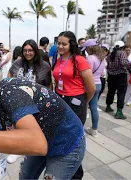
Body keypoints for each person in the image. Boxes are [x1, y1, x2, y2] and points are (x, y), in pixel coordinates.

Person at [52, 31, 95, 180]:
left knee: (74, 139)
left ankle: (76, 174)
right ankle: (65, 167)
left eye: (64, 44)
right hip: (60, 99)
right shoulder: (58, 59)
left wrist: (84, 103)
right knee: (61, 137)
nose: (61, 46)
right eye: (59, 43)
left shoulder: (79, 60)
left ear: (71, 45)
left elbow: (91, 88)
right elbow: (57, 80)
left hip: (76, 102)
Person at [6, 40, 52, 163]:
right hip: (19, 101)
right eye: (25, 50)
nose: (27, 53)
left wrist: (47, 102)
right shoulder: (17, 63)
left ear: (35, 51)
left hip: (36, 101)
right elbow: (9, 77)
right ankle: (17, 149)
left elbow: (48, 86)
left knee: (34, 126)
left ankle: (32, 147)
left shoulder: (44, 66)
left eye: (30, 50)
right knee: (19, 125)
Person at [105, 41, 131, 119]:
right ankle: (119, 112)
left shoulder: (110, 54)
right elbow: (125, 63)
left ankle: (108, 106)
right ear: (123, 47)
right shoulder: (122, 53)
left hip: (111, 76)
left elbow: (107, 64)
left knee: (111, 92)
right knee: (121, 94)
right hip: (121, 76)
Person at [81, 39, 105, 138]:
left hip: (89, 85)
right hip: (98, 84)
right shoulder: (102, 58)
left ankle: (80, 129)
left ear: (89, 48)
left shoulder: (90, 58)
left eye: (86, 48)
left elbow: (87, 73)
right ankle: (94, 129)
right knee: (94, 107)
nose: (85, 51)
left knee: (83, 107)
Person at [97, 44, 110, 111]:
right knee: (97, 91)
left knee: (101, 90)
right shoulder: (97, 57)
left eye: (106, 50)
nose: (104, 52)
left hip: (104, 77)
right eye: (103, 50)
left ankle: (95, 103)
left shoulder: (106, 58)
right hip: (98, 77)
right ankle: (94, 104)